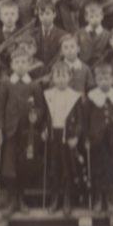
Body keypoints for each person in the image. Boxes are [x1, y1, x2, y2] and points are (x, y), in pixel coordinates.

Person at [0, 47, 46, 216]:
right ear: (12, 65)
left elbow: (40, 108)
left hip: (27, 133)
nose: (21, 65)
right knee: (9, 167)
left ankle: (21, 199)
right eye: (17, 62)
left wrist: (35, 116)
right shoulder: (7, 84)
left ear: (29, 64)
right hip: (10, 131)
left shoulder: (34, 85)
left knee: (24, 166)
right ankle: (11, 200)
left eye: (24, 62)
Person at [42, 62, 84, 216]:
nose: (60, 80)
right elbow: (44, 118)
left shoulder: (74, 96)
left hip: (68, 137)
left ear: (70, 77)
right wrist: (44, 130)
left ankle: (67, 199)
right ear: (52, 78)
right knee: (54, 168)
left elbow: (80, 121)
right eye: (57, 76)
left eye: (64, 76)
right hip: (54, 135)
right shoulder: (48, 95)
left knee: (67, 169)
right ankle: (54, 199)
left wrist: (76, 136)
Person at [84, 63, 113, 214]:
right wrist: (87, 138)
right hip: (96, 139)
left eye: (107, 77)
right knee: (97, 169)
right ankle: (98, 198)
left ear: (112, 79)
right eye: (100, 78)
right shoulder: (91, 97)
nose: (104, 81)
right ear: (96, 80)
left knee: (111, 169)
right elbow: (85, 119)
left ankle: (110, 199)